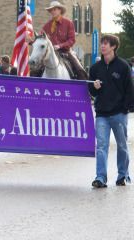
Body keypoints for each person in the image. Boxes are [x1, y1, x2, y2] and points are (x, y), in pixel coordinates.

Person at [88, 34, 134, 188]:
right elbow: (91, 92)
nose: (102, 46)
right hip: (101, 114)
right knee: (101, 146)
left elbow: (130, 89)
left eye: (106, 43)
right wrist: (93, 87)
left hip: (119, 114)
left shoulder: (123, 66)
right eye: (101, 43)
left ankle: (122, 175)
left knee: (122, 145)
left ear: (113, 46)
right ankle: (100, 178)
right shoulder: (95, 68)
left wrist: (125, 108)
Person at [42, 1, 88, 80]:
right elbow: (41, 40)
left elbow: (72, 40)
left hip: (66, 52)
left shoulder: (68, 23)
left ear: (60, 10)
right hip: (50, 54)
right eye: (51, 10)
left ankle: (84, 89)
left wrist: (60, 45)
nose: (52, 12)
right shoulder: (47, 26)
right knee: (35, 70)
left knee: (80, 70)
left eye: (54, 9)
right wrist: (30, 41)